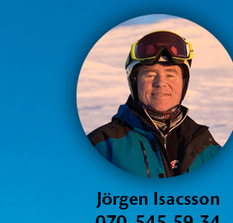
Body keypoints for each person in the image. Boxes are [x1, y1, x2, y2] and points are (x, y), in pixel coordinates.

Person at [87, 31, 222, 177]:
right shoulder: (101, 146)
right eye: (150, 75)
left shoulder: (207, 148)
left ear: (183, 83)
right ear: (134, 82)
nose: (160, 83)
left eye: (170, 75)